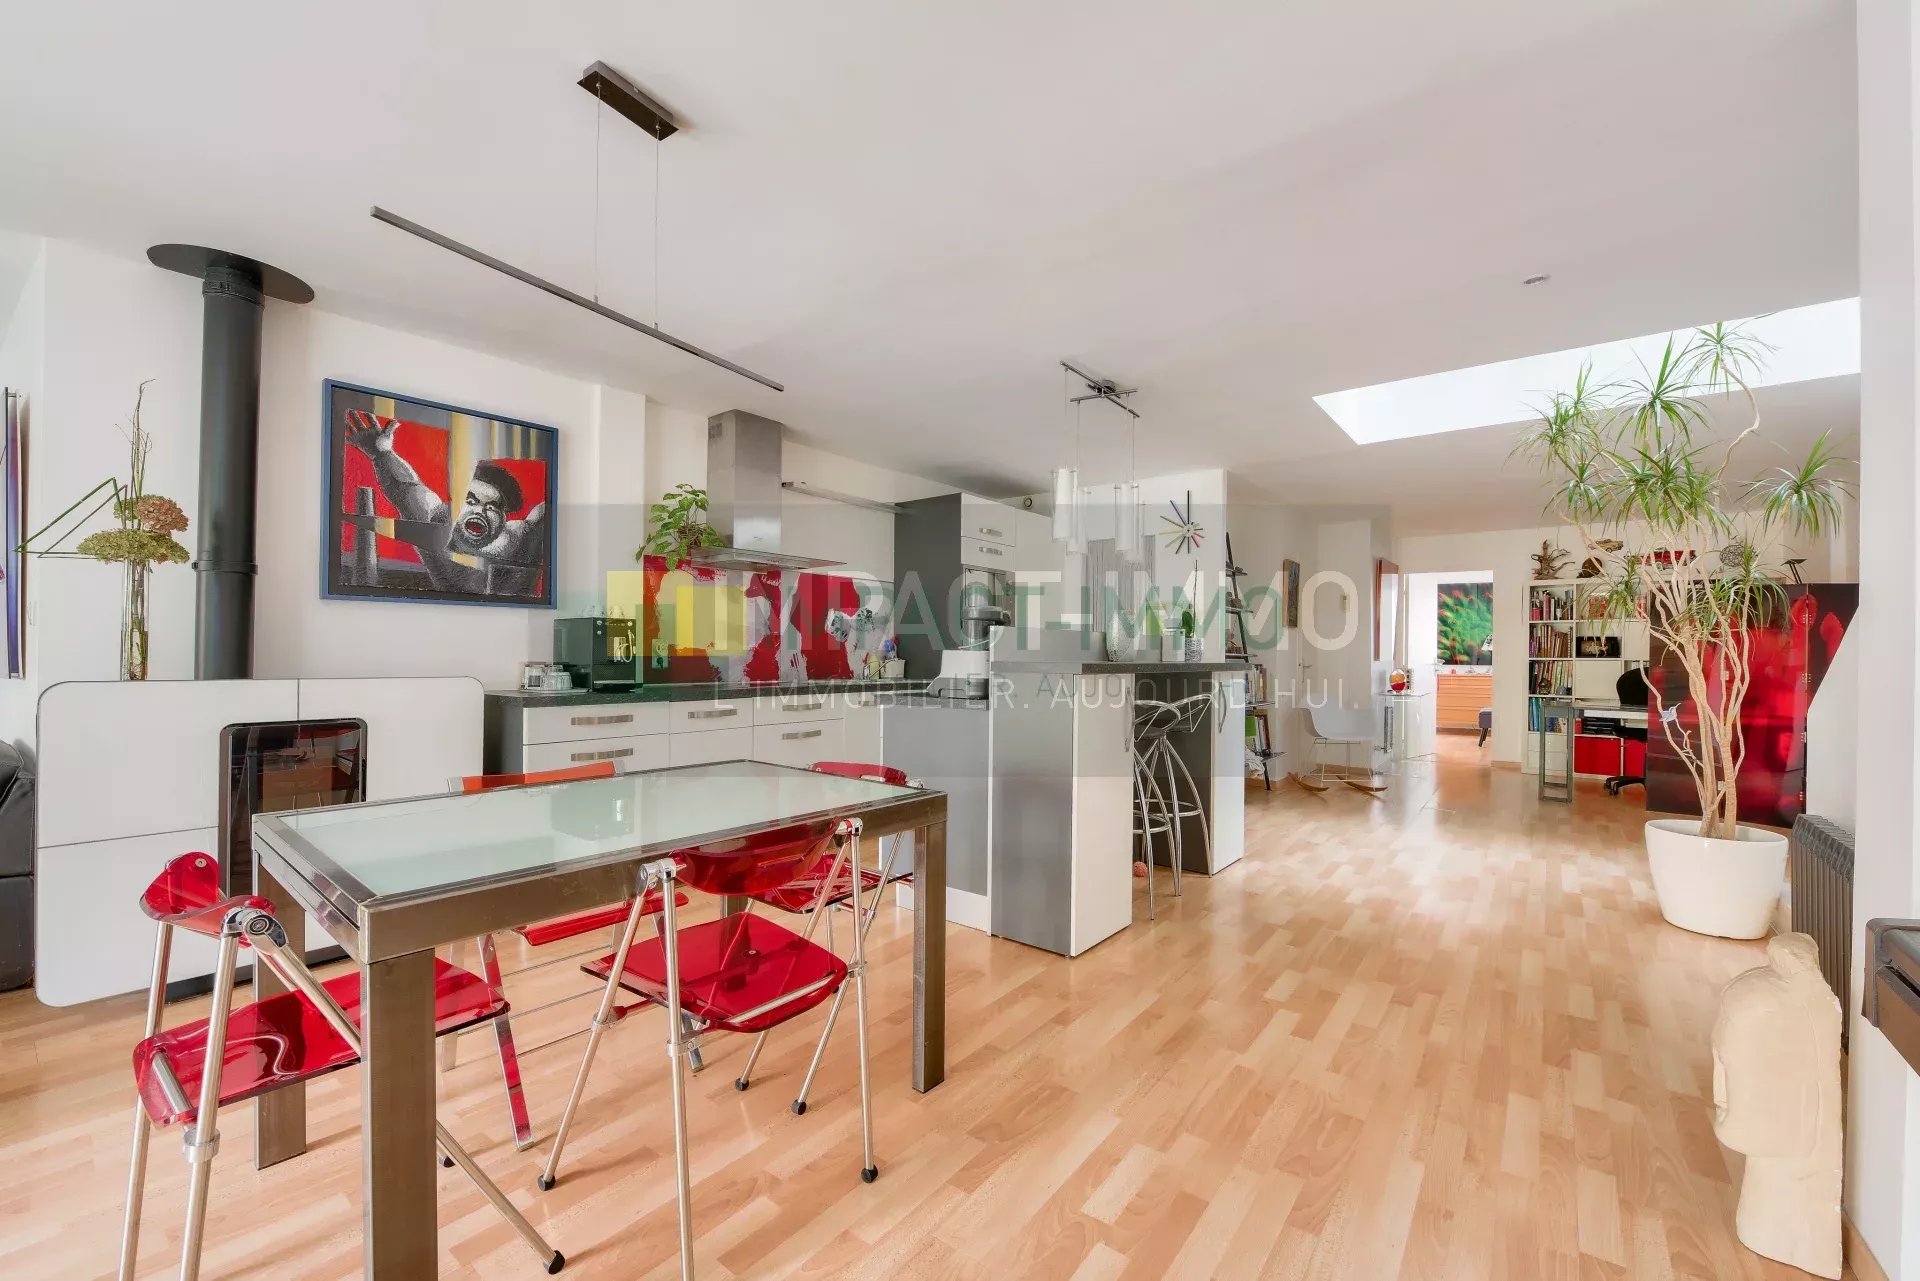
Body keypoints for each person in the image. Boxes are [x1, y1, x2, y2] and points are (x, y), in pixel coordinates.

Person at [345, 409, 547, 596]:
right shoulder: (435, 521)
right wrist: (381, 454)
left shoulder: (521, 538)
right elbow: (406, 487)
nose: (481, 510)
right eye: (471, 500)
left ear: (503, 517)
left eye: (492, 506)